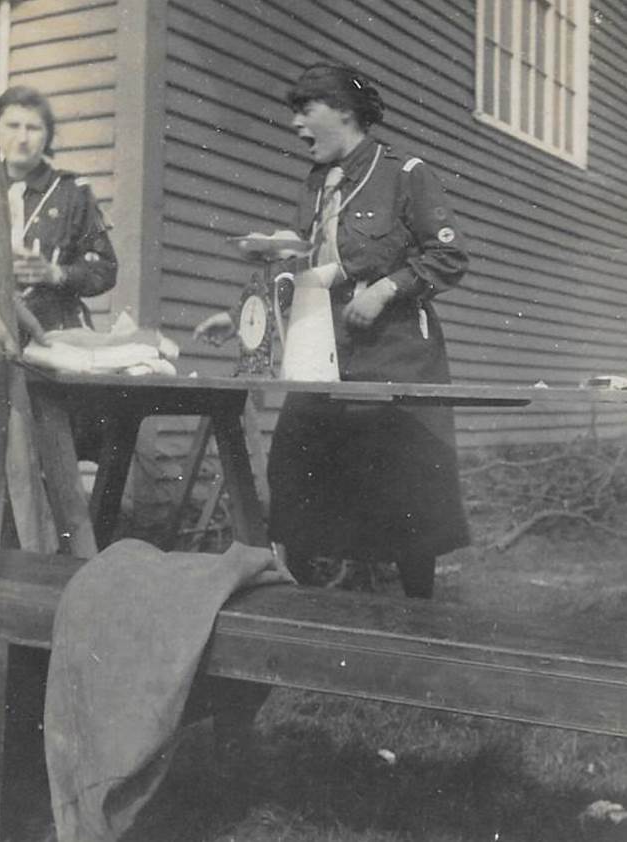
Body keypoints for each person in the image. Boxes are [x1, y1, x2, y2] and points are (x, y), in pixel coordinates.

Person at [195, 63, 470, 598]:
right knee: (296, 468)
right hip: (324, 353)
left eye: (305, 111)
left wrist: (385, 288)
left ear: (344, 111)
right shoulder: (317, 186)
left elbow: (449, 254)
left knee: (404, 485)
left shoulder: (405, 174)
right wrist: (242, 315)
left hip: (395, 355)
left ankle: (419, 613)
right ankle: (301, 607)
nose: (296, 124)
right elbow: (302, 266)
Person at [0, 85, 117, 337]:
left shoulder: (72, 193)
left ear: (48, 137)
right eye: (12, 125)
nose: (22, 138)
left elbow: (105, 270)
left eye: (33, 128)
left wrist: (56, 273)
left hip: (52, 332)